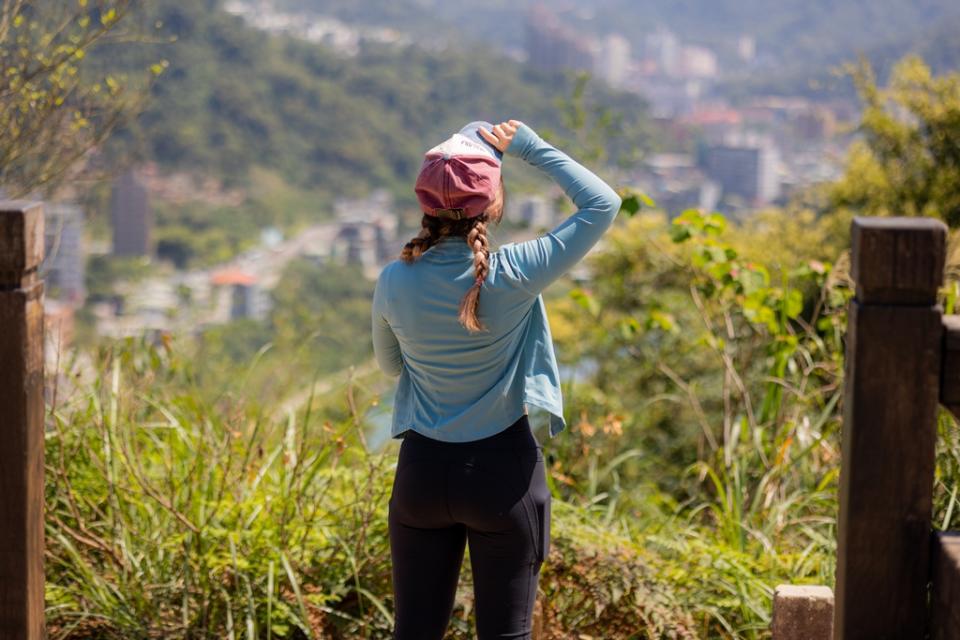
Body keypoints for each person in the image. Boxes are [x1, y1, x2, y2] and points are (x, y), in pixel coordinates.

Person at [371, 119, 621, 640]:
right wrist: (529, 147)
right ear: (491, 202)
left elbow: (393, 367)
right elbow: (602, 204)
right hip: (501, 477)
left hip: (420, 474)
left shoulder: (395, 278)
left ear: (425, 204)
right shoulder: (513, 273)